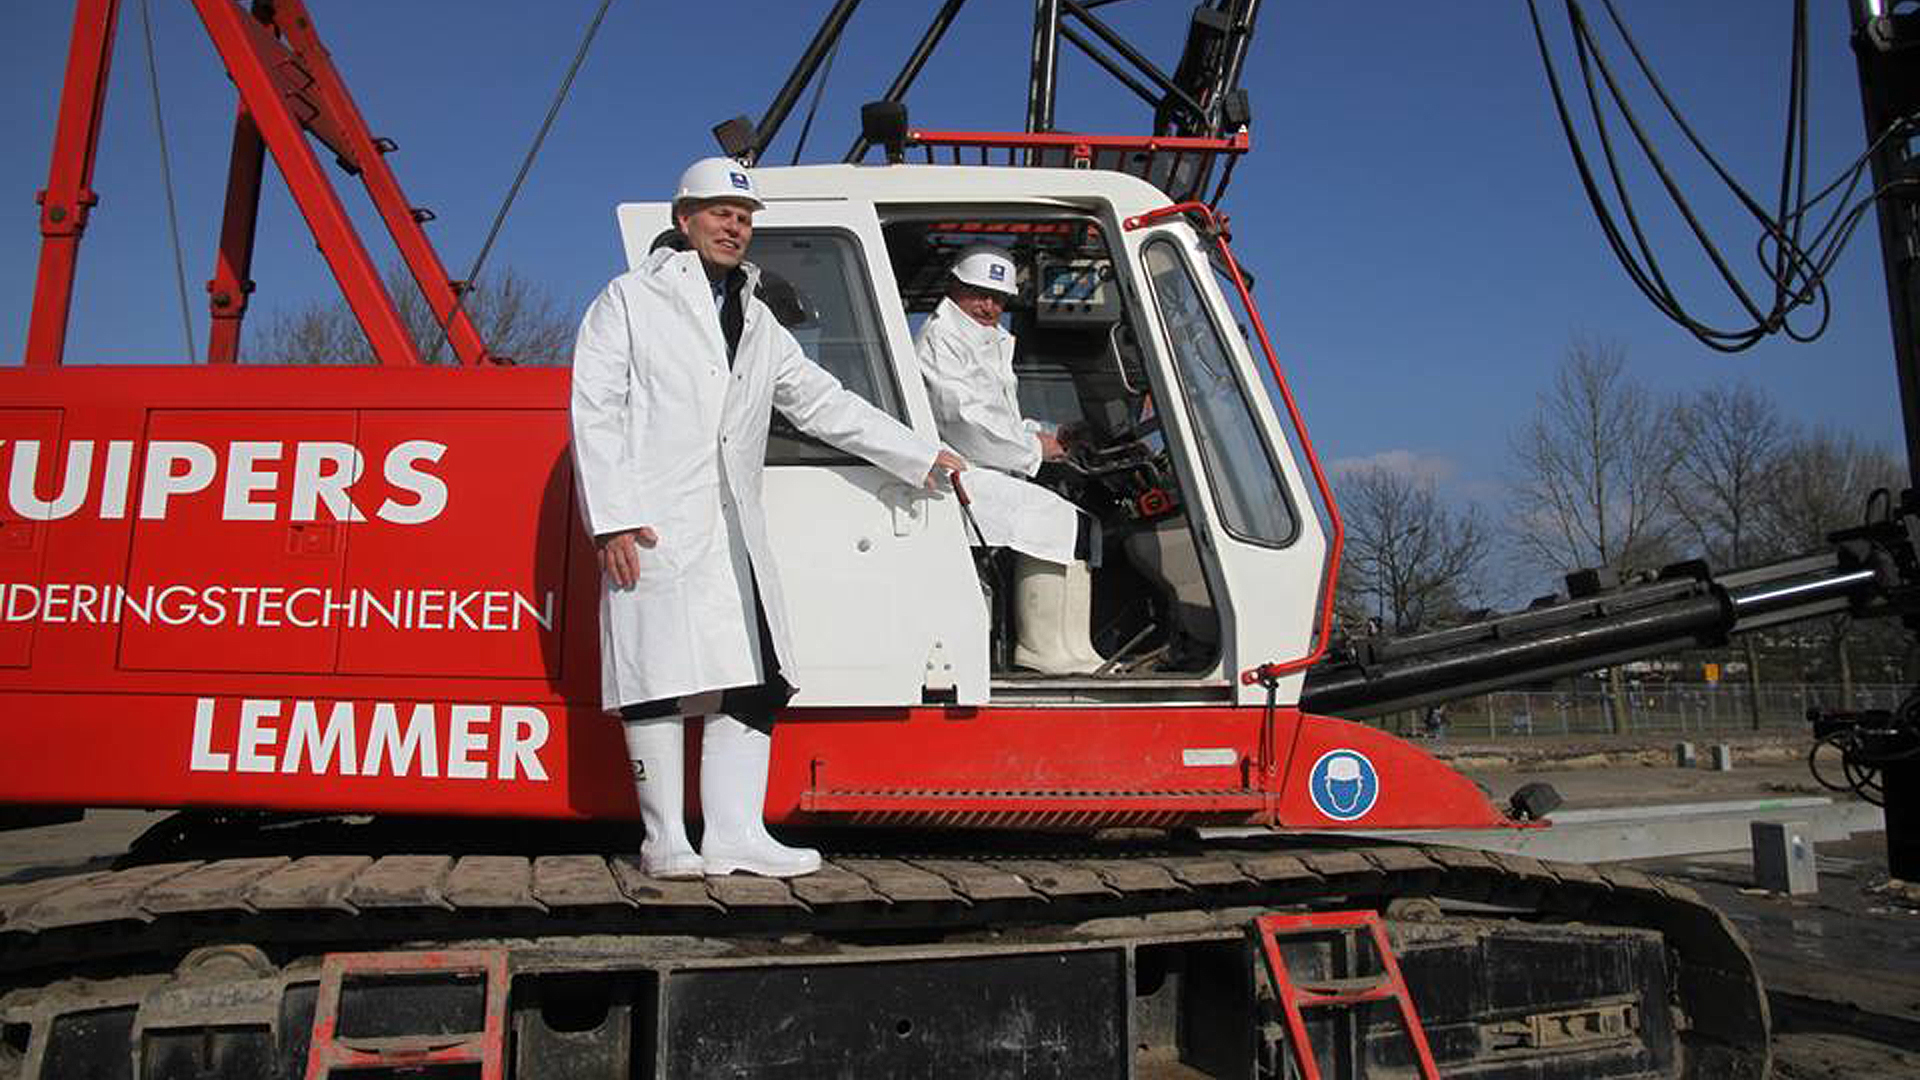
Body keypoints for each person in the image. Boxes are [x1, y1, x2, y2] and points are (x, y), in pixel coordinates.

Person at [571, 157, 965, 880]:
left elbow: (822, 402)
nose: (736, 227)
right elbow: (594, 408)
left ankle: (733, 834)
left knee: (756, 677)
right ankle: (665, 842)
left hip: (732, 530)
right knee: (656, 676)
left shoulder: (756, 318)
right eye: (721, 213)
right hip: (657, 524)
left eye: (745, 217)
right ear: (684, 218)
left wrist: (919, 454)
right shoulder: (628, 302)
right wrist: (613, 520)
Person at [913, 245, 1101, 675]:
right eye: (978, 294)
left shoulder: (984, 339)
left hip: (980, 465)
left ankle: (1075, 649)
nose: (989, 306)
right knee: (1055, 518)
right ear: (955, 288)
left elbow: (999, 417)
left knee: (1074, 520)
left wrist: (1046, 434)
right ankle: (1041, 650)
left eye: (998, 298)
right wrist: (1036, 449)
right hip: (952, 473)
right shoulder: (942, 338)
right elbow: (963, 420)